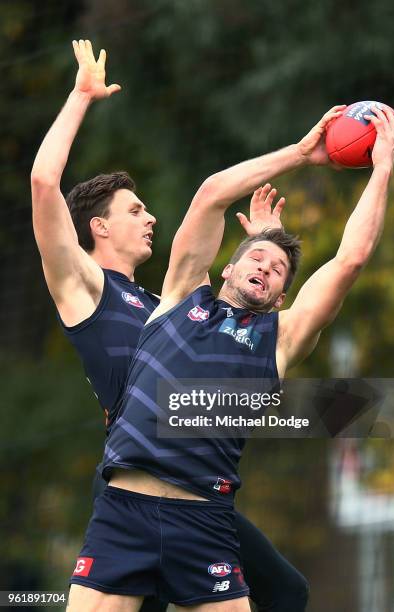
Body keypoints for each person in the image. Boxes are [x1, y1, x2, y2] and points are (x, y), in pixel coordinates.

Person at [68, 94, 394, 609]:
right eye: (258, 256)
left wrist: (381, 167)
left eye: (277, 271)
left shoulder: (282, 339)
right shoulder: (177, 296)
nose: (266, 267)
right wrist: (301, 152)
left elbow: (350, 259)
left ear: (281, 296)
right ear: (226, 267)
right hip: (124, 511)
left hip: (205, 524)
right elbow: (211, 195)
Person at [31, 40, 308, 611]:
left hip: (199, 496)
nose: (151, 215)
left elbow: (245, 313)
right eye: (134, 210)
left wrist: (262, 241)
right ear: (99, 229)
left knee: (286, 592)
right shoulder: (86, 288)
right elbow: (42, 183)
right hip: (134, 488)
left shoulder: (167, 302)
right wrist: (81, 97)